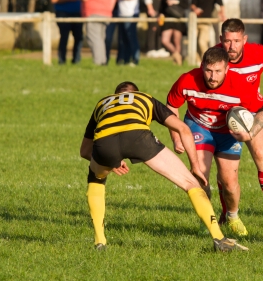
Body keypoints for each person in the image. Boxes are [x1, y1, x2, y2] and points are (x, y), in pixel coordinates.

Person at [80, 81, 248, 252]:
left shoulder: (103, 103)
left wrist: (111, 162)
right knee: (191, 184)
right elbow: (182, 128)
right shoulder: (145, 98)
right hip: (138, 137)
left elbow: (85, 151)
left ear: (116, 94)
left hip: (104, 143)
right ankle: (219, 239)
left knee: (96, 179)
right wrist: (195, 166)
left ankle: (99, 241)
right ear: (136, 93)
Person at [166, 47, 263, 236]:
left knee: (230, 184)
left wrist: (250, 134)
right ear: (202, 66)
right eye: (208, 70)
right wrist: (176, 136)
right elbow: (171, 107)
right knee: (201, 176)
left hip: (227, 134)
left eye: (217, 71)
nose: (212, 76)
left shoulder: (240, 86)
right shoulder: (187, 80)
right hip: (199, 127)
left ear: (227, 69)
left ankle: (233, 216)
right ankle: (206, 219)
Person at [214, 18, 263, 229]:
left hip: (252, 113)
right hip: (223, 115)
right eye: (227, 41)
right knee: (226, 170)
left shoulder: (258, 53)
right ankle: (225, 213)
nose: (232, 46)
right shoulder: (214, 57)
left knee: (261, 155)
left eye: (237, 41)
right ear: (221, 39)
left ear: (244, 39)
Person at [82, 0, 117, 66]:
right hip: (107, 13)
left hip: (93, 13)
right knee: (101, 38)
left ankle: (98, 61)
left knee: (94, 38)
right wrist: (109, 10)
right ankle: (103, 60)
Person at [51, 0, 83, 65]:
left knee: (79, 37)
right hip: (63, 14)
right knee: (64, 37)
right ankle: (62, 60)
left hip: (77, 14)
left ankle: (76, 60)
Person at [191, 0, 225, 64]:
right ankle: (198, 61)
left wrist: (222, 14)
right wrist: (195, 9)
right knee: (195, 41)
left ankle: (208, 60)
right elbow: (193, 4)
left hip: (207, 21)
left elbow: (221, 4)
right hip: (196, 20)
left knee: (202, 41)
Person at [159, 0, 188, 66]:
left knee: (177, 41)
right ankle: (177, 56)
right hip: (168, 19)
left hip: (178, 20)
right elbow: (162, 7)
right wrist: (161, 15)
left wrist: (176, 2)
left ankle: (177, 62)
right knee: (165, 40)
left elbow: (186, 5)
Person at [116, 0, 140, 66]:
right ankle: (125, 59)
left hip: (129, 14)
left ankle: (135, 59)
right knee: (124, 39)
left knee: (131, 38)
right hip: (123, 14)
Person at [105, 0, 123, 64]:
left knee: (121, 38)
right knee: (108, 37)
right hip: (110, 13)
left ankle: (120, 60)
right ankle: (106, 59)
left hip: (122, 13)